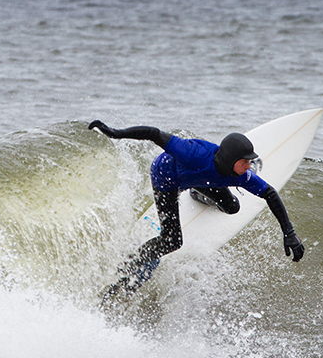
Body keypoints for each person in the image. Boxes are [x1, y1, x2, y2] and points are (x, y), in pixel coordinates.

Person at [89, 120, 304, 296]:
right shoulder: (191, 154)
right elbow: (154, 133)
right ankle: (129, 264)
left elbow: (269, 193)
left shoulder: (238, 175)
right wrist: (115, 133)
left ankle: (197, 192)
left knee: (232, 207)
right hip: (167, 178)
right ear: (231, 160)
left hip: (202, 179)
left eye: (249, 163)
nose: (248, 167)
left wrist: (289, 233)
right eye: (245, 162)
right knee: (172, 241)